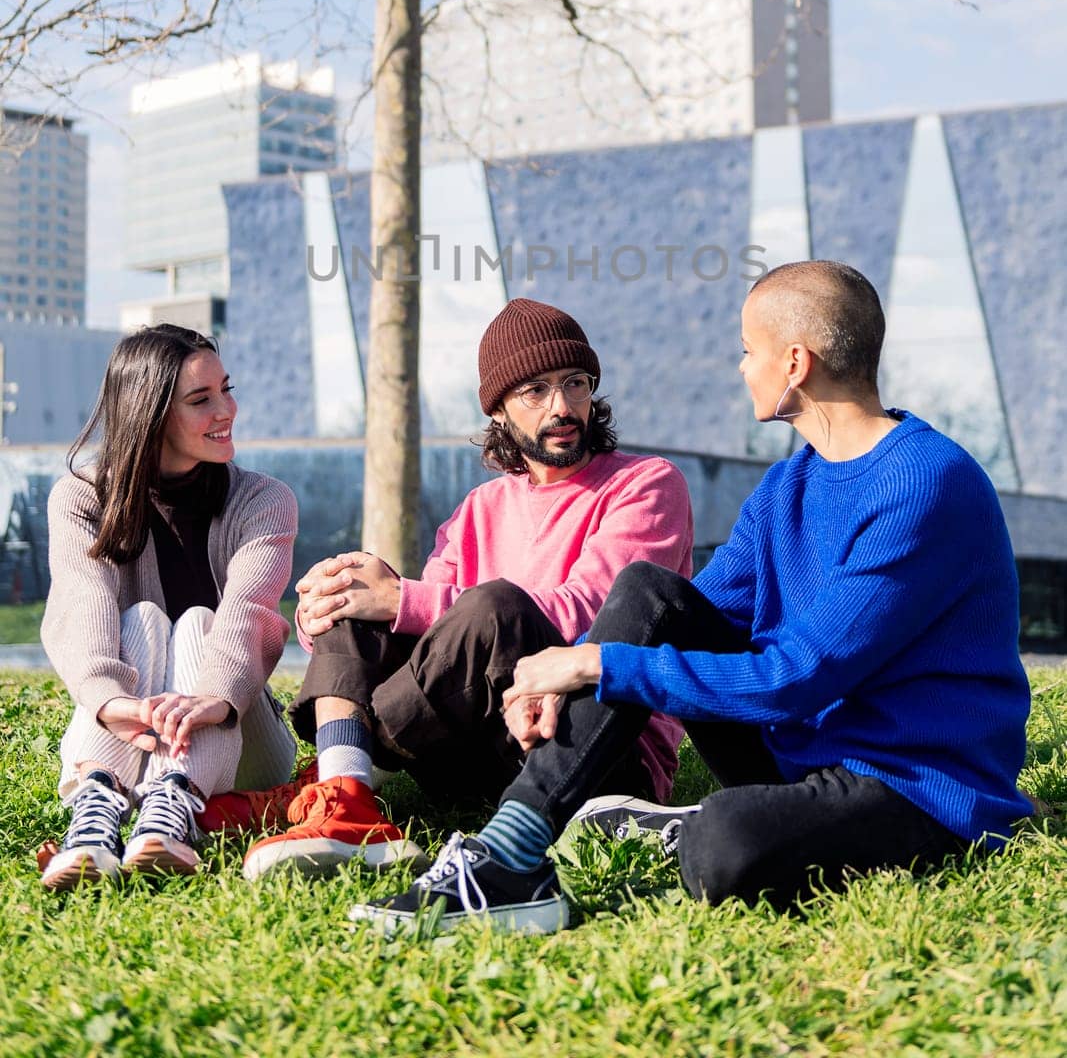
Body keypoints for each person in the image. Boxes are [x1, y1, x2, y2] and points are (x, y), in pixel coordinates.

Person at [350, 261, 1033, 935]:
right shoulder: (786, 486)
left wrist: (593, 667)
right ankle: (510, 854)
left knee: (724, 847)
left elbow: (797, 678)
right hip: (794, 757)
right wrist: (561, 678)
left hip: (912, 785)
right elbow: (664, 616)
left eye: (747, 351)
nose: (741, 369)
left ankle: (671, 830)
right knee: (647, 592)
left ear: (793, 362)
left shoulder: (921, 483)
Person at [242, 297, 693, 880]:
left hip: (591, 751)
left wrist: (398, 601)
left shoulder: (646, 484)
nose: (562, 406)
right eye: (535, 391)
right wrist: (330, 604)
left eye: (575, 383)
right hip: (467, 753)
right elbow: (432, 647)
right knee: (362, 583)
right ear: (499, 410)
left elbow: (593, 614)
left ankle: (339, 770)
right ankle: (345, 804)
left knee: (496, 605)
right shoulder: (481, 506)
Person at [39, 324, 298, 891]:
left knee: (201, 622)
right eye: (201, 400)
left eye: (226, 390)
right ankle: (98, 810)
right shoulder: (82, 498)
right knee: (144, 620)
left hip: (240, 739)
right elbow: (82, 604)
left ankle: (173, 799)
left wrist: (213, 699)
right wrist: (110, 702)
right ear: (150, 413)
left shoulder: (263, 500)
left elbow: (248, 611)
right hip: (127, 737)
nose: (226, 410)